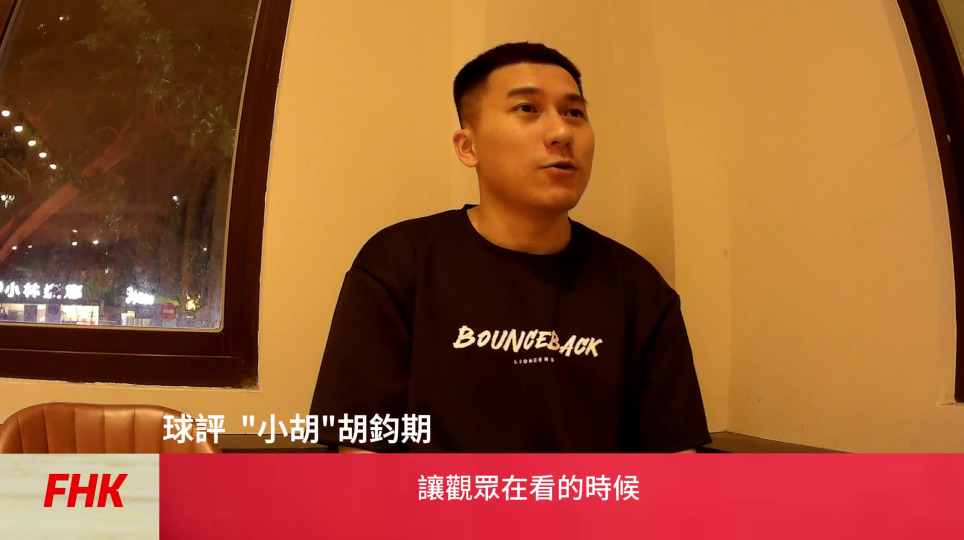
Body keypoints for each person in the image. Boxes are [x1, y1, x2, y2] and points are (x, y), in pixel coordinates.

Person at [309, 42, 710, 453]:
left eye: (574, 113)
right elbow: (363, 456)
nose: (561, 133)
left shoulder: (638, 286)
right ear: (468, 147)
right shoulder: (399, 262)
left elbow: (676, 462)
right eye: (527, 109)